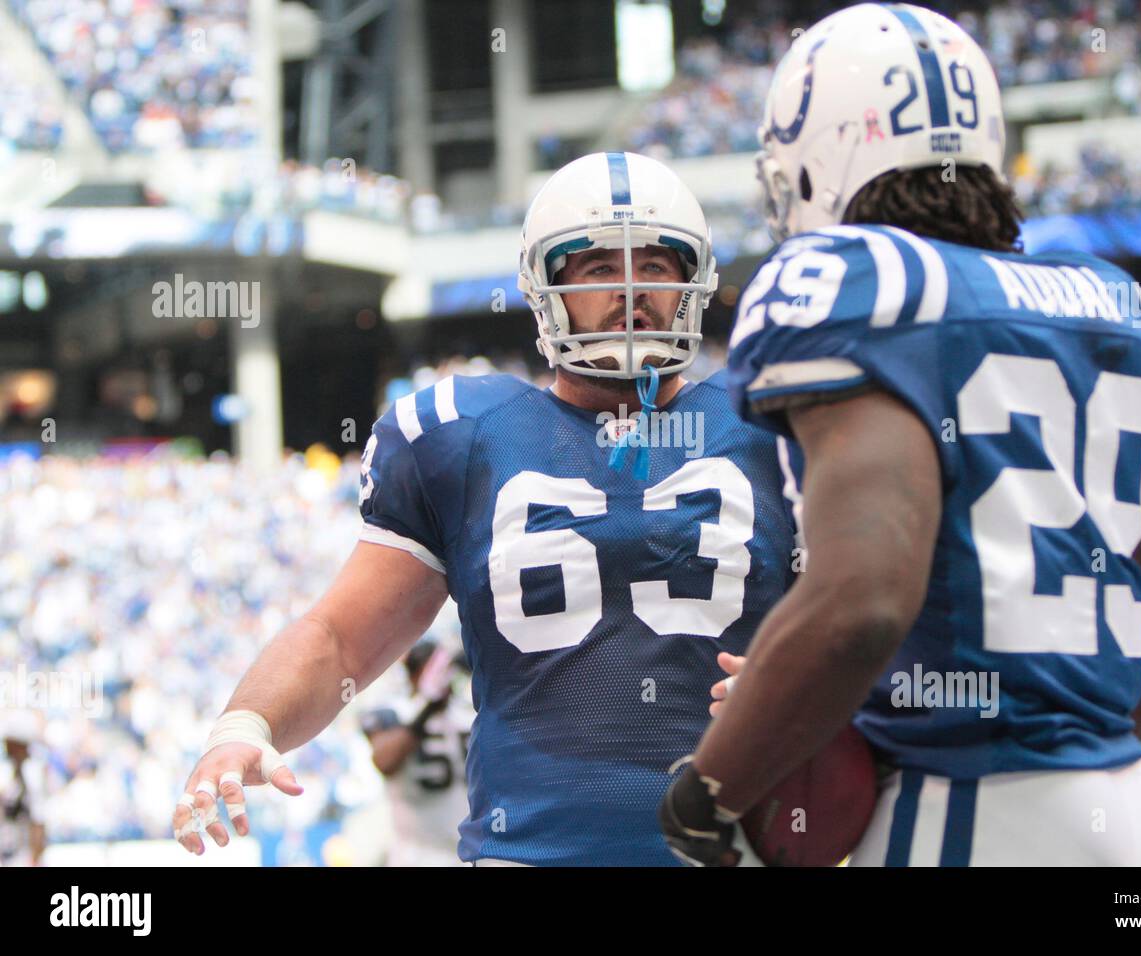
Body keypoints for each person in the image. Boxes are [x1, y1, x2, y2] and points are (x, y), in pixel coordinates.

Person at [659, 3, 1141, 867]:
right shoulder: (1099, 300)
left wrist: (705, 792)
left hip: (963, 810)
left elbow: (861, 604)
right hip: (1134, 813)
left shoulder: (852, 284)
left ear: (814, 160)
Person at [173, 151, 798, 865]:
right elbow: (340, 639)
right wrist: (245, 726)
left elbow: (878, 615)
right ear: (545, 288)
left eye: (656, 265)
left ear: (695, 280)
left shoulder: (773, 421)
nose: (633, 288)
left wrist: (813, 685)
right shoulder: (465, 436)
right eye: (599, 268)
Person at [361, 622, 472, 867]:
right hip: (417, 854)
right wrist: (427, 708)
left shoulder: (467, 714)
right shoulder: (392, 713)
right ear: (414, 673)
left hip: (470, 852)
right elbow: (384, 760)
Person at [0, 711, 46, 867]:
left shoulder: (34, 773)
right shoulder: (5, 771)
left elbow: (38, 822)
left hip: (24, 856)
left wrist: (34, 859)